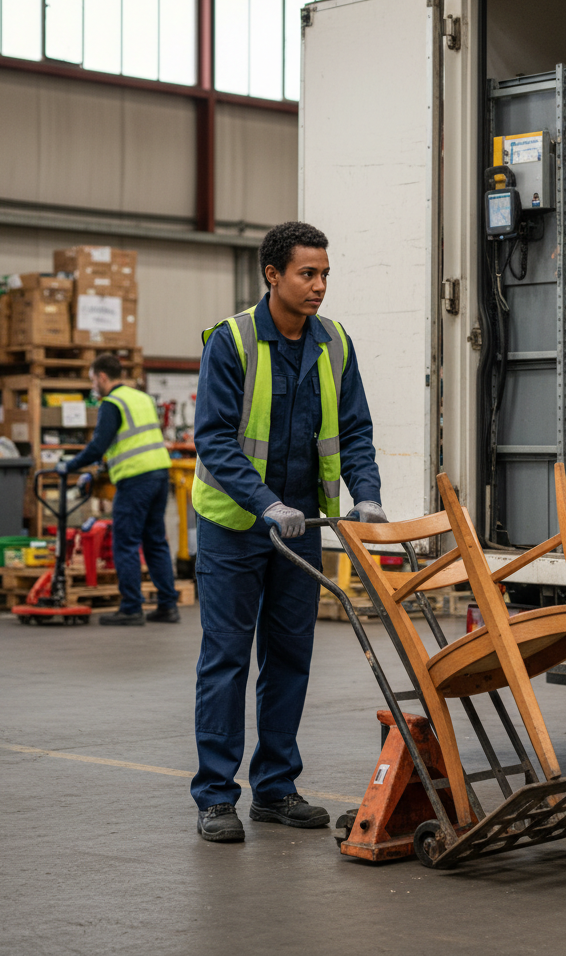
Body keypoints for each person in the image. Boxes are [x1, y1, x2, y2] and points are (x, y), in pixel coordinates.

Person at [191, 221, 386, 843]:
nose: (320, 285)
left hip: (304, 526)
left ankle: (274, 788)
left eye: (326, 273)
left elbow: (353, 429)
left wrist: (369, 494)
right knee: (226, 660)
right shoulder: (233, 341)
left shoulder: (335, 343)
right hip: (236, 526)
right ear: (272, 275)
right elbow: (215, 440)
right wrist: (265, 502)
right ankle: (217, 796)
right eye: (308, 273)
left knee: (290, 659)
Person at [56, 353, 179, 627]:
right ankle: (168, 606)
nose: (93, 387)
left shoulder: (112, 403)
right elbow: (127, 441)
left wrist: (70, 466)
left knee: (125, 542)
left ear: (102, 377)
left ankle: (131, 608)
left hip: (135, 480)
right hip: (160, 474)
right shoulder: (142, 398)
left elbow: (99, 445)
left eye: (92, 380)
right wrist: (100, 471)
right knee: (155, 541)